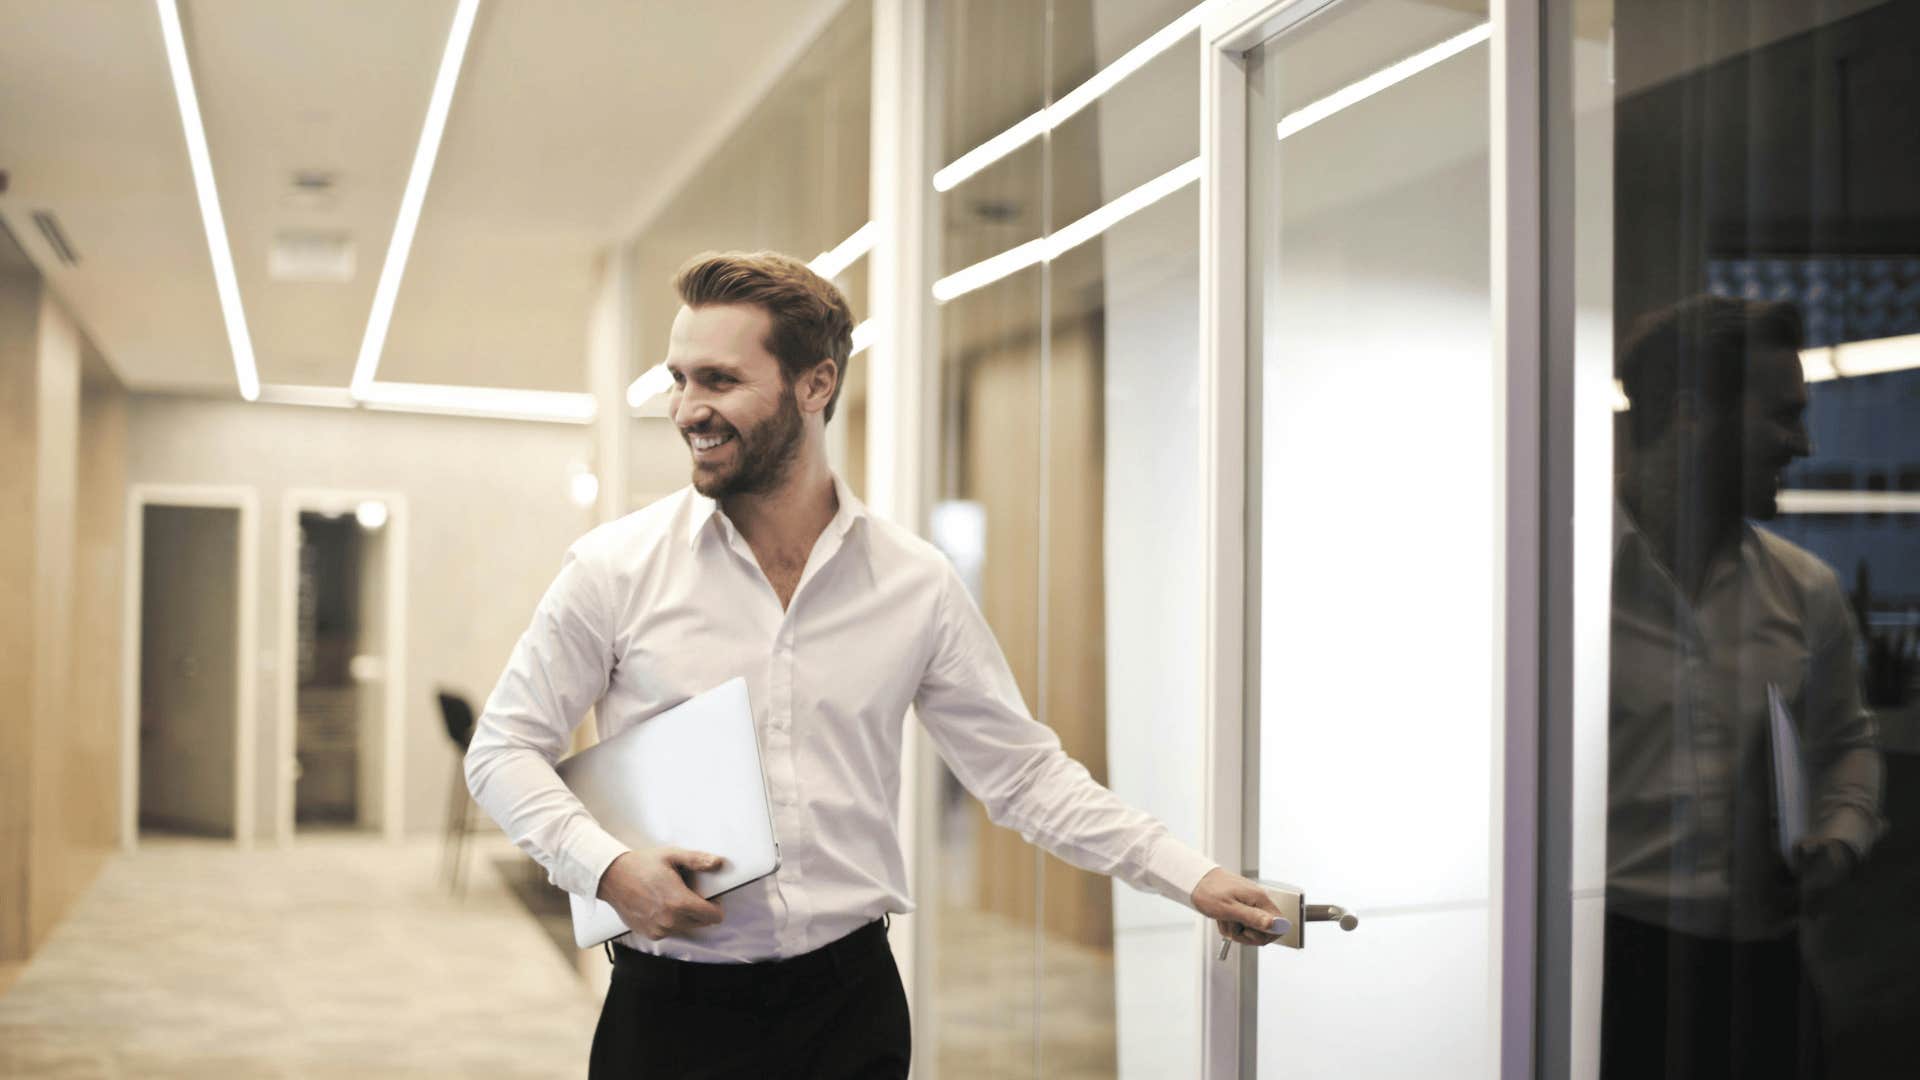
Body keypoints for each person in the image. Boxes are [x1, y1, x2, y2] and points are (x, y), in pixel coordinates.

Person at [465, 250, 1286, 1077]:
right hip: (670, 1015)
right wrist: (605, 869)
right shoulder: (615, 568)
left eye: (717, 380)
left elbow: (1024, 777)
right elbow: (502, 750)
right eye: (679, 380)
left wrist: (1192, 877)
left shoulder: (912, 581)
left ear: (815, 385)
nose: (687, 409)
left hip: (848, 1010)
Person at [1603, 296, 1885, 1080]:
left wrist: (1837, 838)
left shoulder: (1807, 590)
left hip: (1762, 971)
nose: (1804, 443)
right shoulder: (1553, 591)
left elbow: (1847, 747)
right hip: (1605, 963)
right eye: (1783, 416)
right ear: (1693, 414)